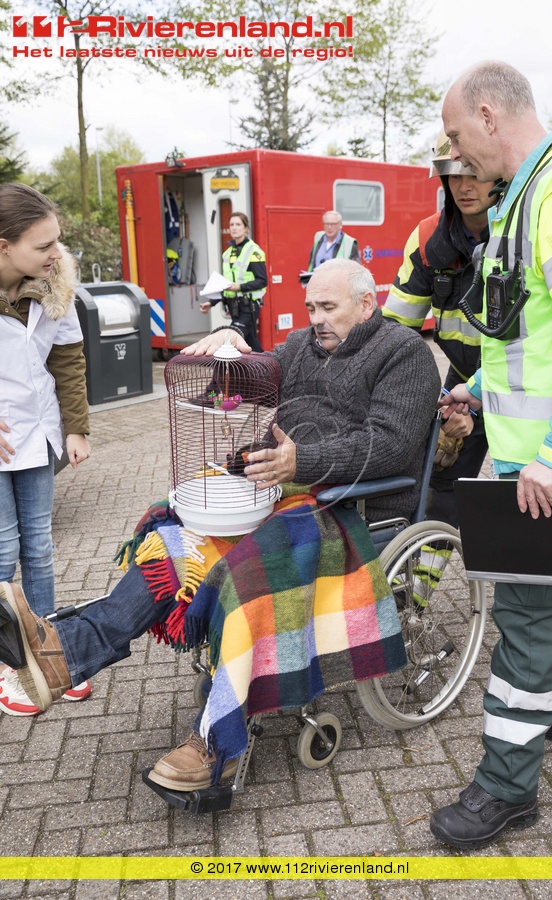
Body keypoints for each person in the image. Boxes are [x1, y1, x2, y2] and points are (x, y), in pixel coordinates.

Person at [0, 259, 440, 791]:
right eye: (310, 308)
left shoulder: (404, 352)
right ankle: (63, 655)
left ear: (367, 304)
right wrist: (232, 346)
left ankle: (218, 741)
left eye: (328, 308)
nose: (316, 319)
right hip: (280, 487)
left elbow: (391, 445)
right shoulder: (300, 346)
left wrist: (302, 461)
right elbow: (249, 382)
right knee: (173, 540)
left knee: (241, 571)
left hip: (350, 504)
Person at [430, 61, 552, 851]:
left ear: (490, 116)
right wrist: (477, 391)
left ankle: (505, 790)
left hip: (551, 470)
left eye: (457, 133)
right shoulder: (528, 196)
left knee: (529, 622)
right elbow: (531, 333)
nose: (455, 153)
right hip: (546, 460)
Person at [0, 183, 92, 716]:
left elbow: (68, 361)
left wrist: (77, 429)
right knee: (2, 549)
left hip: (36, 436)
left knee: (38, 545)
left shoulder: (55, 287)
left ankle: (47, 648)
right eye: (43, 246)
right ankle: (7, 659)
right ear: (4, 247)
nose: (56, 253)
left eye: (57, 240)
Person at [383, 130, 496, 529]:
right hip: (462, 380)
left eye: (473, 173)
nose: (464, 186)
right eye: (453, 175)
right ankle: (426, 570)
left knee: (529, 492)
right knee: (441, 485)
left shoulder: (523, 233)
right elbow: (395, 333)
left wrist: (477, 399)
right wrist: (436, 397)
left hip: (522, 383)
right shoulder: (427, 238)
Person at [199, 211, 266, 352]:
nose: (234, 228)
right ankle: (268, 365)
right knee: (251, 344)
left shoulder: (253, 251)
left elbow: (262, 281)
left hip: (248, 307)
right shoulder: (228, 253)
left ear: (246, 228)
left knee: (229, 340)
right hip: (234, 308)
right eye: (231, 225)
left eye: (238, 224)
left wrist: (239, 287)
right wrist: (211, 303)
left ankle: (220, 368)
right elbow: (226, 285)